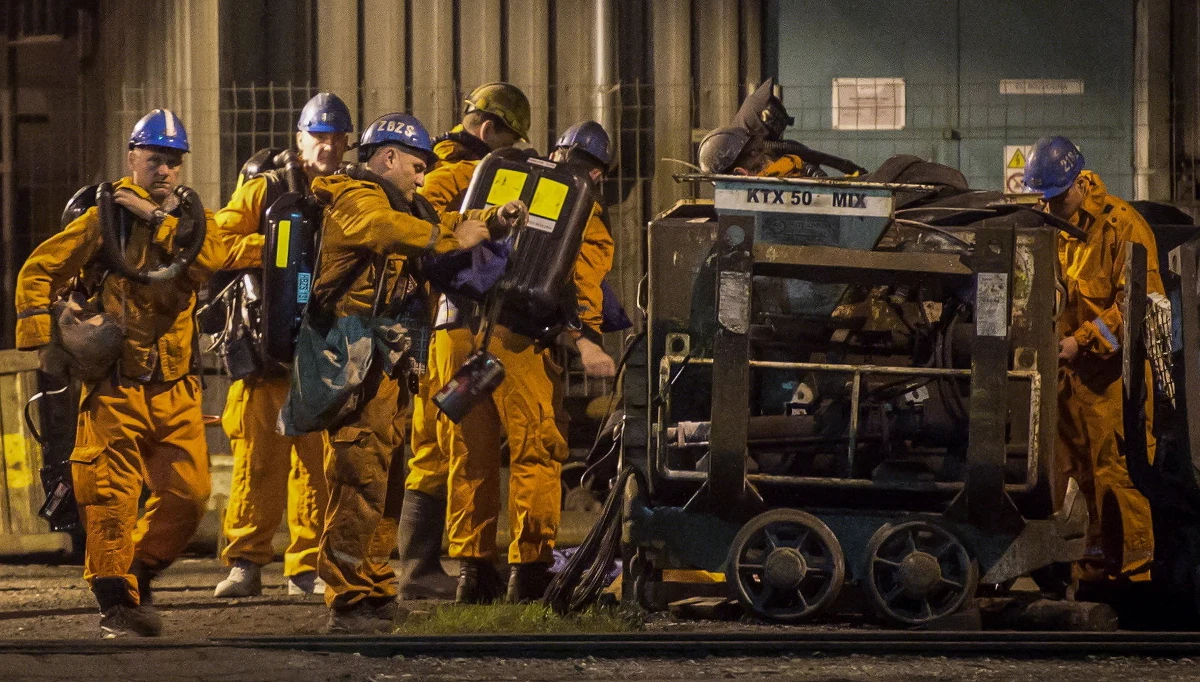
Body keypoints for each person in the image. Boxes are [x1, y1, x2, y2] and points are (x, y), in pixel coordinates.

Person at [14, 109, 227, 637]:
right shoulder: (101, 219)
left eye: (173, 162)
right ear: (133, 158)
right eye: (155, 159)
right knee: (108, 495)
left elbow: (212, 261)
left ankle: (138, 569)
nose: (165, 171)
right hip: (116, 385)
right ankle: (117, 600)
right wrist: (41, 341)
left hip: (175, 386)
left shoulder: (192, 221)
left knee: (190, 495)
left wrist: (157, 220)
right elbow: (39, 270)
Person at [309, 112, 523, 633]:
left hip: (389, 365)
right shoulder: (355, 198)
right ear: (386, 158)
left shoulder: (410, 206)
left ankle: (376, 589)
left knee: (387, 481)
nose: (422, 176)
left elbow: (446, 224)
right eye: (416, 165)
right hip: (352, 361)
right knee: (357, 480)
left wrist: (492, 220)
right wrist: (451, 239)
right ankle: (347, 600)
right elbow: (391, 231)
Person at [443, 120, 616, 604]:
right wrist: (588, 341)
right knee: (537, 450)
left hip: (458, 334)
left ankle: (471, 575)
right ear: (598, 174)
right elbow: (583, 285)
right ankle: (529, 571)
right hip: (517, 342)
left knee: (469, 455)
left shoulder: (501, 175)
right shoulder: (584, 210)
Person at [210, 92, 353, 599]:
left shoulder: (353, 191)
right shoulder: (264, 190)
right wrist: (278, 247)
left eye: (337, 137)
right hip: (265, 348)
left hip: (323, 348)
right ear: (300, 139)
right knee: (258, 461)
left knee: (317, 466)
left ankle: (305, 569)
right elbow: (217, 245)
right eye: (320, 136)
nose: (329, 147)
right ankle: (245, 563)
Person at [397, 82, 533, 601]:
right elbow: (426, 238)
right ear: (486, 128)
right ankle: (425, 569)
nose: (512, 148)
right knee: (454, 447)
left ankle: (419, 569)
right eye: (508, 136)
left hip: (442, 327)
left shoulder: (437, 171)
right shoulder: (463, 176)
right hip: (465, 327)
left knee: (433, 444)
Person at [1024, 135, 1162, 586]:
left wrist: (1082, 341)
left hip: (1111, 380)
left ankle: (1134, 574)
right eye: (1043, 199)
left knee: (1115, 473)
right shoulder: (1056, 227)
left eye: (1057, 197)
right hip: (1068, 378)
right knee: (1073, 472)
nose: (1050, 207)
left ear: (1080, 183)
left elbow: (1140, 305)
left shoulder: (1122, 226)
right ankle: (1091, 563)